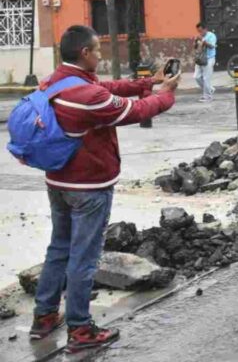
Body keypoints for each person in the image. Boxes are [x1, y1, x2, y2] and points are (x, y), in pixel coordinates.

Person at [29, 25, 179, 352]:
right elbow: (133, 110)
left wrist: (145, 83)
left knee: (59, 248)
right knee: (84, 256)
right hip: (88, 187)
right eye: (97, 50)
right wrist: (164, 94)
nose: (101, 54)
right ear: (84, 53)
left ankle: (44, 317)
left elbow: (108, 86)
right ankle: (80, 330)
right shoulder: (87, 96)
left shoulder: (57, 81)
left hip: (57, 181)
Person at [194, 22, 217, 102]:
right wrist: (195, 41)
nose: (200, 33)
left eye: (201, 31)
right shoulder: (199, 36)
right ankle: (210, 89)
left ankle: (207, 96)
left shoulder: (211, 36)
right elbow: (195, 48)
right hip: (200, 59)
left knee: (206, 78)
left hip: (209, 58)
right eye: (198, 31)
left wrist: (204, 41)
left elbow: (212, 46)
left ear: (205, 29)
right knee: (196, 77)